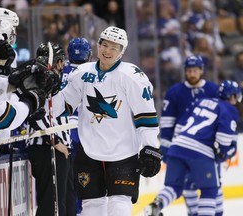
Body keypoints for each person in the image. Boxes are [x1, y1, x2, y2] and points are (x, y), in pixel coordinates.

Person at [51, 26, 162, 216]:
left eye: (114, 47)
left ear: (121, 52)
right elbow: (61, 105)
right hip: (88, 151)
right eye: (104, 45)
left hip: (123, 153)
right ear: (98, 45)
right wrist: (47, 89)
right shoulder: (82, 73)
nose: (107, 51)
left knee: (119, 204)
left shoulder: (133, 77)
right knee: (91, 207)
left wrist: (151, 147)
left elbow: (146, 116)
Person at [145, 80, 241, 216]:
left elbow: (180, 125)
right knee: (210, 189)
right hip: (200, 152)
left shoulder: (200, 102)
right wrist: (223, 153)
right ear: (232, 96)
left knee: (175, 187)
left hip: (177, 147)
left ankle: (156, 204)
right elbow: (223, 138)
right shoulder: (229, 109)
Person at [157, 55, 222, 215]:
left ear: (201, 71)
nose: (192, 73)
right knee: (188, 187)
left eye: (195, 70)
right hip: (183, 147)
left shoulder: (213, 90)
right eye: (189, 71)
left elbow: (223, 118)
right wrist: (166, 146)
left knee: (214, 185)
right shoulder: (175, 92)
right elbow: (167, 122)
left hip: (208, 148)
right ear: (185, 71)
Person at [26, 42, 72, 216]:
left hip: (56, 147)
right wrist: (54, 141)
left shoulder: (53, 81)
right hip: (48, 147)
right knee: (51, 203)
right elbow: (36, 114)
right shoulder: (40, 80)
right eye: (61, 61)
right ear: (57, 62)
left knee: (62, 202)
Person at [64, 37, 93, 215]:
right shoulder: (92, 71)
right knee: (84, 180)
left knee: (67, 182)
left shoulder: (61, 70)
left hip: (60, 132)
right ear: (89, 55)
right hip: (84, 134)